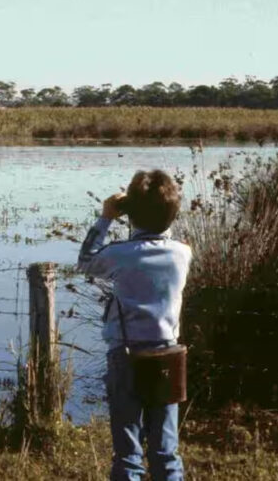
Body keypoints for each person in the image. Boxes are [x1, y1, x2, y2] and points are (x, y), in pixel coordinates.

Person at [77, 169, 190, 481]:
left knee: (128, 453)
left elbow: (85, 261)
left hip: (126, 357)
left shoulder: (120, 255)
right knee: (166, 450)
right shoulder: (183, 254)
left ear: (130, 213)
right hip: (168, 357)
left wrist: (106, 217)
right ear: (173, 213)